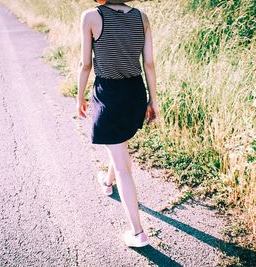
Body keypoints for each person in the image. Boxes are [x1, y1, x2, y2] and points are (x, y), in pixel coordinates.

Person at [76, 0, 159, 248]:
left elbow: (86, 64)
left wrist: (79, 97)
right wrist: (154, 100)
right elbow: (149, 64)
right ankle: (107, 182)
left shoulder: (91, 16)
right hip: (135, 92)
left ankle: (138, 233)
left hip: (109, 94)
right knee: (118, 144)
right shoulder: (141, 17)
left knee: (123, 165)